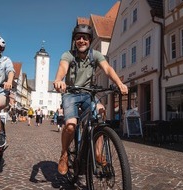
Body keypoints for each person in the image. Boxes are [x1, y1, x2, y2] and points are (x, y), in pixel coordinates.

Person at [53, 24, 128, 175]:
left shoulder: (96, 55)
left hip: (88, 94)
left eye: (85, 38)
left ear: (90, 41)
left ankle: (98, 153)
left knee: (101, 112)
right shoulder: (68, 54)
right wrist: (59, 79)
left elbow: (107, 69)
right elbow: (63, 67)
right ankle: (64, 154)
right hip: (71, 94)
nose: (81, 40)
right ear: (75, 40)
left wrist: (119, 83)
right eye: (78, 38)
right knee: (70, 125)